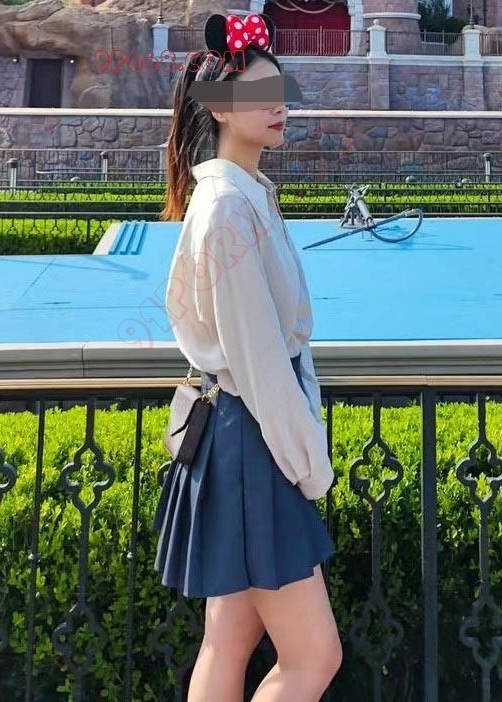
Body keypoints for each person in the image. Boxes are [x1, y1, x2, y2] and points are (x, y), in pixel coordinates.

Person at [153, 12, 343, 702]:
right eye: (257, 94)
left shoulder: (242, 195)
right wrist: (310, 464)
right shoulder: (229, 207)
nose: (276, 104)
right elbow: (261, 362)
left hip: (239, 437)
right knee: (313, 656)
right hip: (253, 444)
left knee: (228, 641)